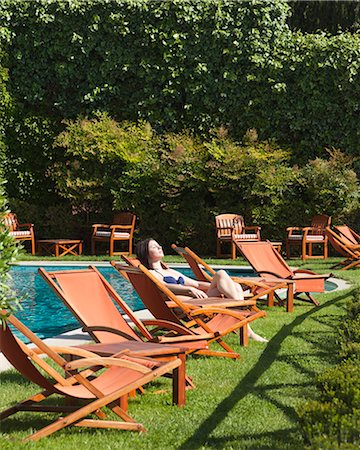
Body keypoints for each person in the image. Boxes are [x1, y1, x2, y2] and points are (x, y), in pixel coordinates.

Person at [136, 238, 268, 342]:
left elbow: (197, 284)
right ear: (146, 253)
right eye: (154, 247)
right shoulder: (150, 273)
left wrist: (221, 284)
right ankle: (245, 325)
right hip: (184, 305)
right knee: (224, 277)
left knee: (228, 281)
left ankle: (243, 321)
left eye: (158, 245)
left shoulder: (169, 271)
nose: (159, 247)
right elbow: (161, 287)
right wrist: (189, 290)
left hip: (197, 300)